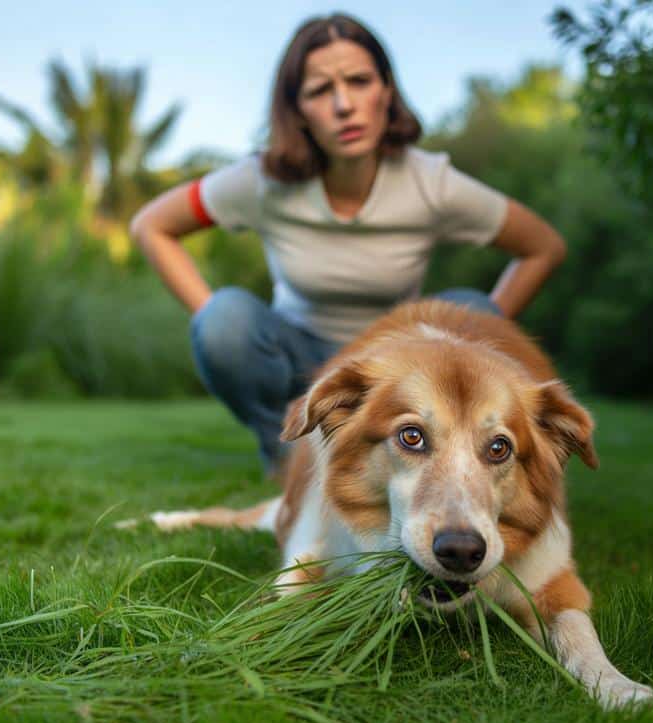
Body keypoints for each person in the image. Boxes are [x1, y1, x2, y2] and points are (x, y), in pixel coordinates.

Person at [129, 13, 567, 476]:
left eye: (359, 81)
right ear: (296, 110)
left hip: (397, 362)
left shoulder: (431, 182)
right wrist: (205, 315)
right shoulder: (261, 180)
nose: (343, 104)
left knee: (474, 310)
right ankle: (285, 450)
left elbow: (543, 246)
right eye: (320, 90)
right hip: (296, 359)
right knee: (222, 320)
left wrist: (477, 338)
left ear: (386, 92)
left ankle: (446, 454)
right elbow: (150, 226)